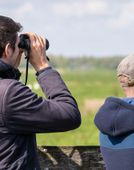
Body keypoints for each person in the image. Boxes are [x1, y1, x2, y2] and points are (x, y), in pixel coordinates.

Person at [0, 15, 81, 169]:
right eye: (18, 45)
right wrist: (42, 66)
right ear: (7, 50)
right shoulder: (8, 93)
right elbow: (69, 115)